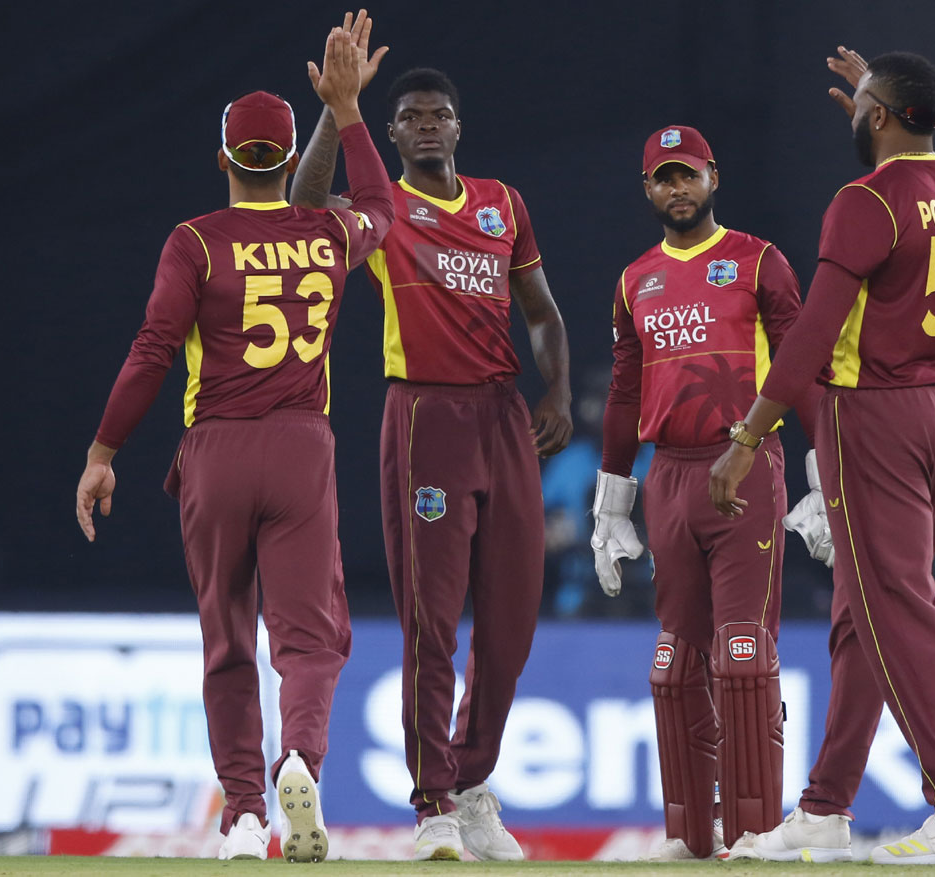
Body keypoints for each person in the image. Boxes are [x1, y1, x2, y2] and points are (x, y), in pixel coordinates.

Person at [74, 27, 394, 862]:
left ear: (224, 161)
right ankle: (302, 760)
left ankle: (246, 815)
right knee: (311, 639)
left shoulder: (195, 240)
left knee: (227, 639)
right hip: (299, 447)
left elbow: (151, 351)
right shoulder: (326, 235)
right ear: (291, 164)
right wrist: (351, 112)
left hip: (213, 449)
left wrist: (104, 452)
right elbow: (387, 210)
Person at [708, 48, 935, 866]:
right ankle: (826, 808)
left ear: (878, 115)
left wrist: (747, 440)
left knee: (895, 606)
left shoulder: (865, 199)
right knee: (865, 609)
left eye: (862, 106)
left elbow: (808, 334)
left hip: (872, 414)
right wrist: (886, 93)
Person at [291, 23, 573, 862]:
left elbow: (543, 311)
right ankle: (433, 802)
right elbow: (306, 211)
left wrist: (556, 387)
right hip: (426, 419)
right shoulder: (381, 217)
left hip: (504, 416)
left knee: (514, 615)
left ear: (457, 126)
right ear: (390, 133)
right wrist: (333, 115)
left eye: (437, 114)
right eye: (408, 115)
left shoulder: (502, 202)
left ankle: (473, 780)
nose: (424, 124)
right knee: (433, 616)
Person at [590, 124, 825, 861]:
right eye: (663, 177)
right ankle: (691, 833)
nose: (677, 188)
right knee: (676, 661)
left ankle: (756, 830)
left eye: (688, 174)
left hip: (745, 466)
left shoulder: (758, 262)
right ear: (648, 190)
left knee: (744, 654)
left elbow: (799, 365)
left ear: (713, 178)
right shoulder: (635, 280)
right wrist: (612, 501)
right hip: (669, 477)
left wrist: (820, 474)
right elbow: (626, 393)